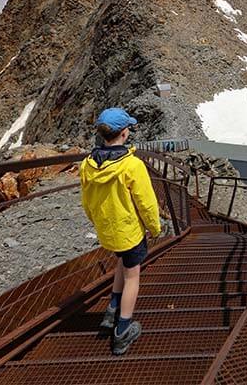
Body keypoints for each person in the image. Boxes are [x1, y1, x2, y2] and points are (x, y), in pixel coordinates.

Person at [79, 107, 161, 355]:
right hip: (129, 232)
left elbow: (87, 202)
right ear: (124, 133)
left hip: (108, 231)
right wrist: (154, 228)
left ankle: (112, 309)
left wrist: (98, 222)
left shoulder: (87, 165)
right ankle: (122, 331)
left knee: (122, 262)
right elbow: (146, 203)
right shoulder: (132, 166)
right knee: (133, 276)